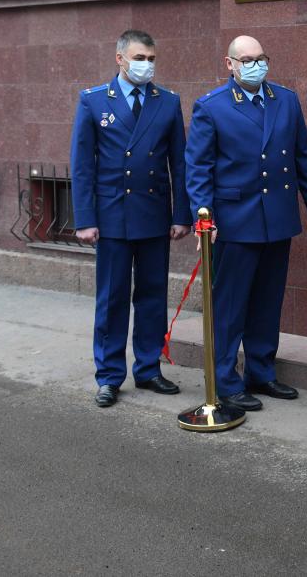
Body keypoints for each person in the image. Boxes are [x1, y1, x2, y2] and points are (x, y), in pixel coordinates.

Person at [185, 35, 307, 412]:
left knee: (268, 300)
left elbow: (304, 155)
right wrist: (204, 217)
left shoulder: (286, 99)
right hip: (234, 221)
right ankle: (225, 380)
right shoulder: (211, 107)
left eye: (260, 57)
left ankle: (261, 372)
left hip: (277, 217)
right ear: (229, 64)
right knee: (230, 305)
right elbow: (198, 168)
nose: (255, 64)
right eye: (246, 59)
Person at [71, 29, 191, 408]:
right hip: (111, 218)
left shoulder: (167, 102)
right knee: (112, 298)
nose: (147, 65)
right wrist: (85, 219)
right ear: (120, 58)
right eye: (140, 58)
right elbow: (82, 165)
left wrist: (181, 214)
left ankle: (149, 369)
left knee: (153, 296)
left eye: (152, 59)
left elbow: (179, 164)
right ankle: (108, 376)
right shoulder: (93, 101)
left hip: (154, 215)